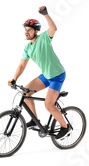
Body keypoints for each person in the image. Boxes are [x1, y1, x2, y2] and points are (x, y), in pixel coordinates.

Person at [8, 6, 71, 139]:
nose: (26, 32)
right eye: (25, 29)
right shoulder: (27, 47)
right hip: (47, 75)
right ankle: (35, 121)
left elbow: (53, 29)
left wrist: (46, 14)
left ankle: (65, 127)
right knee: (26, 92)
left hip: (57, 76)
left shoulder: (44, 38)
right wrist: (14, 79)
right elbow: (21, 65)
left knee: (48, 105)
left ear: (36, 31)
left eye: (29, 29)